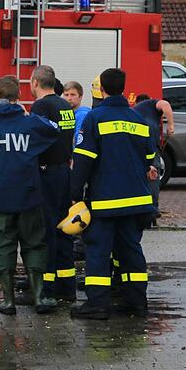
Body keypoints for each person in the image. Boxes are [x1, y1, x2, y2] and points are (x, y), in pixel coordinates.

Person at [0, 75, 60, 315]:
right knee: (34, 245)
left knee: (4, 248)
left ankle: (8, 301)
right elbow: (54, 131)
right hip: (28, 195)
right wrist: (29, 115)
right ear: (18, 97)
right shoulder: (29, 123)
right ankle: (39, 297)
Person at [70, 68, 158, 320]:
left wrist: (74, 192)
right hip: (138, 200)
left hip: (106, 200)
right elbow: (150, 159)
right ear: (123, 87)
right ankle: (137, 302)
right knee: (131, 251)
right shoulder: (139, 119)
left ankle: (97, 304)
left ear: (103, 89)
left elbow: (84, 159)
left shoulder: (95, 118)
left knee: (98, 250)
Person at [29, 65, 78, 301]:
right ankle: (67, 286)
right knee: (64, 230)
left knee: (45, 232)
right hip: (63, 172)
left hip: (47, 173)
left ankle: (45, 288)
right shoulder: (63, 104)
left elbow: (35, 140)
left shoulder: (41, 106)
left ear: (36, 82)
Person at [133, 93, 175, 216]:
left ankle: (139, 208)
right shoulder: (151, 103)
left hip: (136, 138)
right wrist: (171, 125)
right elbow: (165, 104)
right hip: (149, 136)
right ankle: (152, 209)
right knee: (153, 173)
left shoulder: (134, 110)